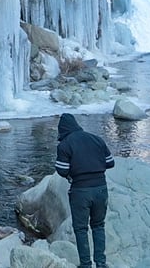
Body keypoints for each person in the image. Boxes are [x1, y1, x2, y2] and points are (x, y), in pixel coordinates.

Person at [55, 113, 115, 268]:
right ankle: (101, 263)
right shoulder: (96, 139)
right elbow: (110, 162)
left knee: (81, 229)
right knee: (98, 225)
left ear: (62, 130)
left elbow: (62, 170)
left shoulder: (65, 144)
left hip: (80, 191)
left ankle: (86, 264)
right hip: (101, 189)